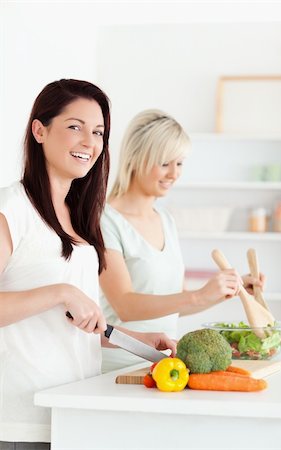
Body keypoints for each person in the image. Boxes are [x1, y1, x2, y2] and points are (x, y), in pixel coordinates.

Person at [0, 80, 176, 450]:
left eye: (98, 132)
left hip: (73, 412)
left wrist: (130, 340)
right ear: (39, 130)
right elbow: (58, 300)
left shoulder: (79, 219)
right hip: (21, 420)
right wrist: (60, 292)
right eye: (74, 127)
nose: (89, 142)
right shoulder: (11, 210)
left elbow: (63, 322)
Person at [99, 109, 265, 373]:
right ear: (136, 158)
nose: (174, 174)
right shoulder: (105, 220)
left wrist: (227, 291)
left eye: (180, 163)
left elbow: (175, 305)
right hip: (117, 370)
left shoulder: (165, 219)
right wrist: (199, 296)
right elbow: (125, 306)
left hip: (165, 366)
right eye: (164, 163)